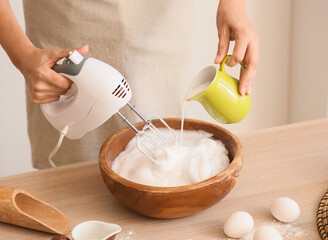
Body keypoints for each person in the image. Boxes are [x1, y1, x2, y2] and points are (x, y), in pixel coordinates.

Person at [0, 0, 258, 169]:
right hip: (66, 20)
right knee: (76, 180)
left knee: (166, 155)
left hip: (160, 24)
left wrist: (234, 5)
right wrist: (24, 56)